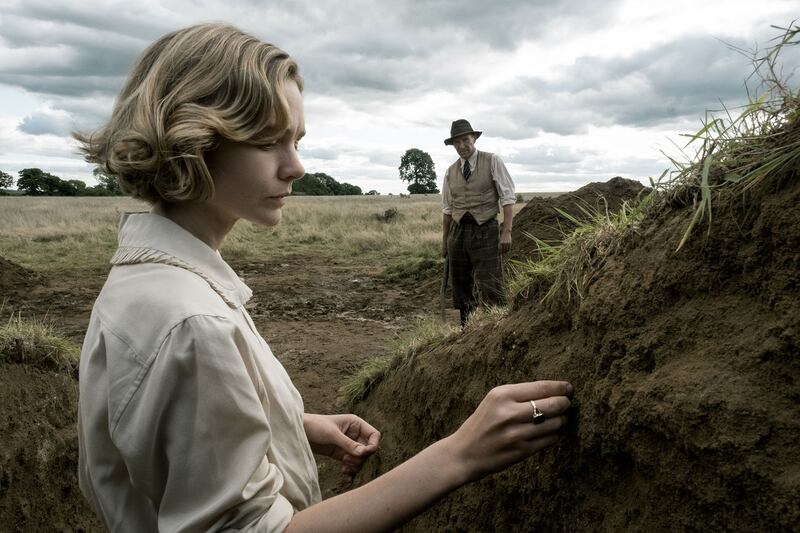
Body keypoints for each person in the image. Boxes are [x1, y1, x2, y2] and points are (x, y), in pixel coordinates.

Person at [76, 23, 572, 532]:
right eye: (268, 141)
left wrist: (288, 424)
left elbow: (161, 438)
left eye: (296, 140)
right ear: (192, 138)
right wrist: (460, 456)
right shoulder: (191, 323)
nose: (295, 166)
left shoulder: (144, 279)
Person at [441, 119, 516, 326]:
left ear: (474, 138)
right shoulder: (450, 171)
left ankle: (497, 327)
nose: (461, 146)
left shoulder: (492, 161)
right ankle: (467, 329)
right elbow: (447, 209)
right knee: (461, 286)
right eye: (456, 142)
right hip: (457, 233)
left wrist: (507, 231)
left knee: (490, 282)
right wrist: (445, 241)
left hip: (485, 229)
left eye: (465, 140)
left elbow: (507, 198)